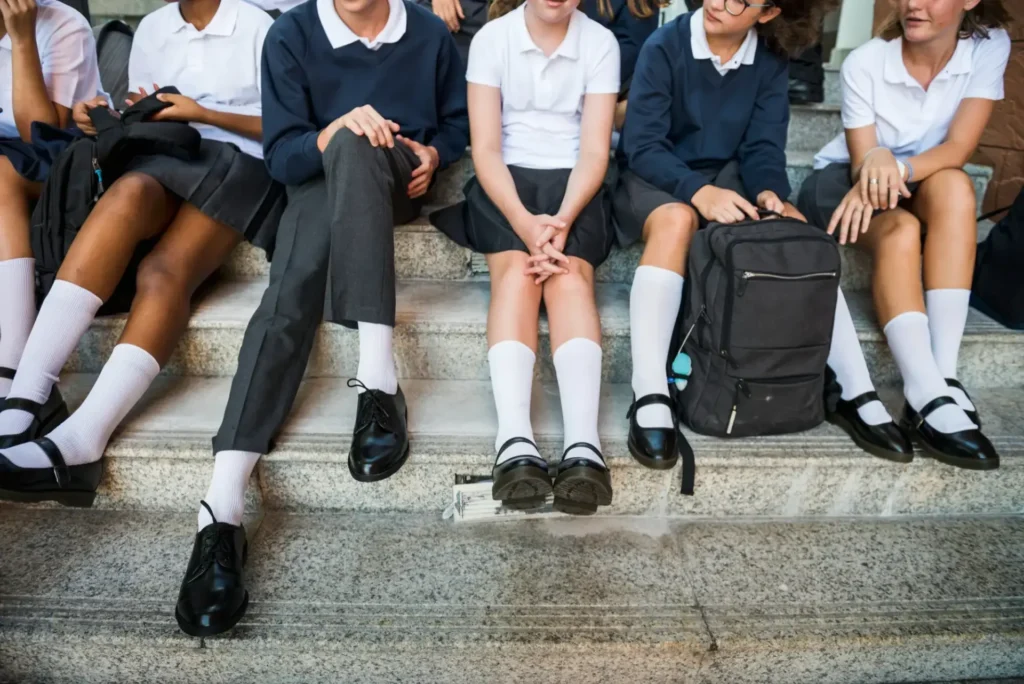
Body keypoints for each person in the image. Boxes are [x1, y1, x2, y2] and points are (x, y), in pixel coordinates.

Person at [175, 0, 468, 637]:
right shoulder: (291, 34)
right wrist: (333, 131)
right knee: (287, 297)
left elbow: (456, 122)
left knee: (364, 146)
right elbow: (283, 157)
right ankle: (220, 512)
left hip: (388, 182)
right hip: (313, 183)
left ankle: (374, 382)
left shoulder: (424, 32)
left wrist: (433, 154)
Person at [0, 0, 282, 503]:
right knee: (125, 195)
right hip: (168, 154)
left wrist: (203, 112)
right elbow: (145, 113)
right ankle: (26, 395)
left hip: (243, 164)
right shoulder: (153, 28)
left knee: (162, 269)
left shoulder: (258, 24)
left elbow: (285, 125)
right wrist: (102, 120)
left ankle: (82, 441)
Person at [613, 0, 829, 473]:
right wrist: (698, 192)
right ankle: (649, 387)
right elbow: (643, 145)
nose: (717, 3)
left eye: (740, 0)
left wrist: (771, 191)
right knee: (677, 220)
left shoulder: (769, 60)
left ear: (768, 13)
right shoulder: (665, 45)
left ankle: (852, 389)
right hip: (655, 178)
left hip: (725, 177)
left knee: (787, 229)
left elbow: (762, 148)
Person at [798, 0, 1010, 470]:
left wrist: (897, 164)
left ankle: (944, 378)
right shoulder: (866, 61)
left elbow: (958, 148)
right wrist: (875, 162)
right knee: (901, 228)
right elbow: (862, 162)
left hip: (919, 172)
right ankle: (922, 386)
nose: (912, 4)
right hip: (843, 181)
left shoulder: (988, 46)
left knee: (957, 187)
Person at [433, 0, 619, 514]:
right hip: (506, 185)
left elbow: (594, 153)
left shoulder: (600, 44)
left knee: (570, 281)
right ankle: (514, 443)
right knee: (516, 275)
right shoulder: (493, 40)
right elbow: (486, 149)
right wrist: (523, 222)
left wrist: (559, 220)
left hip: (575, 188)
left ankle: (585, 447)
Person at [0, 0, 100, 402]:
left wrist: (22, 39)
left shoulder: (64, 25)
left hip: (62, 164)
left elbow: (38, 135)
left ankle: (12, 359)